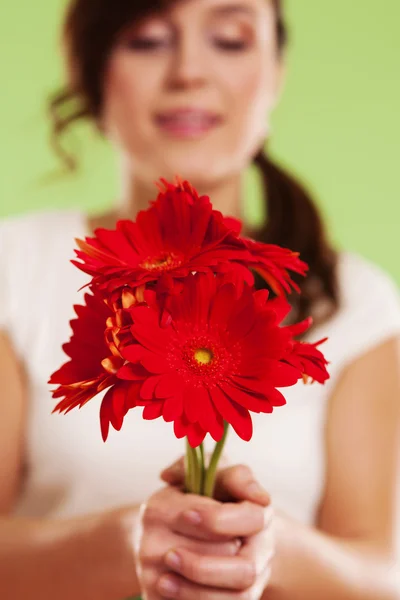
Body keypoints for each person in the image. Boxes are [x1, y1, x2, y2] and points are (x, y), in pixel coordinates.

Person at [0, 0, 399, 598]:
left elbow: (384, 575)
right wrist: (128, 541)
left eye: (231, 40)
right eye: (148, 40)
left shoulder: (357, 300)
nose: (189, 71)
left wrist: (268, 546)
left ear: (276, 74)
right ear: (92, 72)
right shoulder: (15, 265)